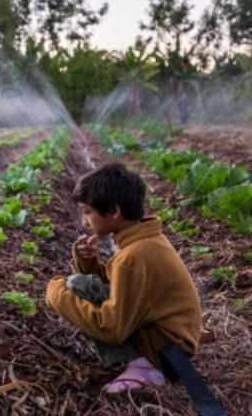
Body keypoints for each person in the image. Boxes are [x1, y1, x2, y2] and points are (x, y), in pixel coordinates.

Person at [45, 163, 201, 393]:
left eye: (87, 211)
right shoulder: (144, 240)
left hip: (168, 355)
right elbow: (121, 289)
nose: (84, 221)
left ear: (114, 211)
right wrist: (88, 262)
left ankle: (145, 368)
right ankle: (145, 362)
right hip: (171, 344)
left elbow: (111, 329)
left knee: (75, 285)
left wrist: (57, 297)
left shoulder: (133, 257)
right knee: (83, 282)